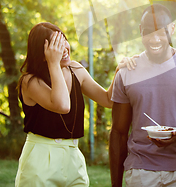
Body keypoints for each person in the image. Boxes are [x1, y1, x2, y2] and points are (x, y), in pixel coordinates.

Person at [109, 3, 176, 187]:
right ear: (140, 31)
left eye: (161, 31)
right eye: (148, 32)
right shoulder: (127, 72)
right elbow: (118, 133)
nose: (155, 39)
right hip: (140, 170)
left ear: (172, 29)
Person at [15, 22, 126, 187]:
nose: (64, 47)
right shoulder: (30, 81)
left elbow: (108, 100)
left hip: (73, 156)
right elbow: (62, 105)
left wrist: (119, 71)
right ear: (42, 52)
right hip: (41, 158)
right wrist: (54, 64)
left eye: (63, 40)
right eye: (56, 44)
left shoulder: (76, 70)